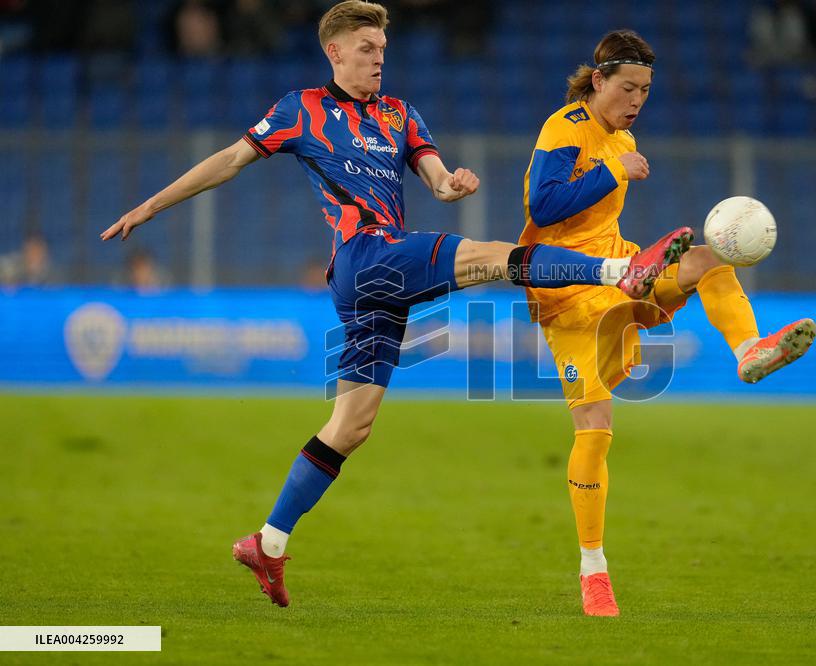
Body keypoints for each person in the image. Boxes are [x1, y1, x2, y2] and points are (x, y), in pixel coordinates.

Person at [100, 0, 692, 607]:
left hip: (380, 286)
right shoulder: (299, 109)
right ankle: (621, 270)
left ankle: (268, 543)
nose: (379, 58)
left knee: (351, 426)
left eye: (383, 49)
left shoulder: (401, 115)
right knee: (500, 256)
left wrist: (453, 184)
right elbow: (229, 160)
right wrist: (149, 206)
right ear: (333, 52)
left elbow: (435, 181)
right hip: (365, 256)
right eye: (366, 48)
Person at [519, 30, 816, 616]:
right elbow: (542, 206)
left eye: (646, 90)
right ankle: (593, 571)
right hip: (563, 294)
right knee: (595, 429)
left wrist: (616, 161)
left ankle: (749, 348)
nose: (637, 100)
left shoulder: (620, 135)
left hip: (617, 274)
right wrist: (615, 168)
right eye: (628, 87)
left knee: (707, 259)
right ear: (598, 79)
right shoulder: (566, 127)